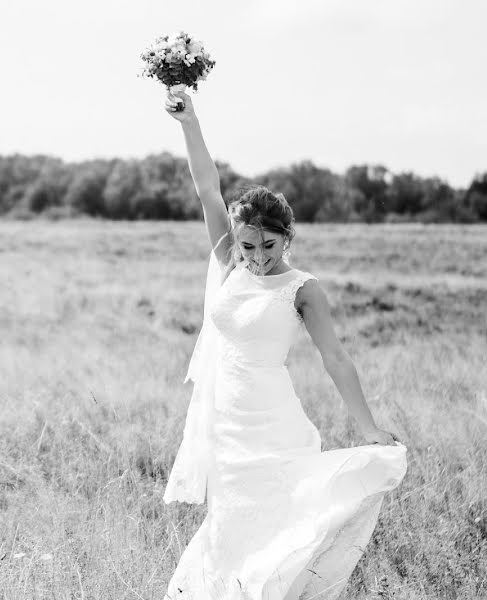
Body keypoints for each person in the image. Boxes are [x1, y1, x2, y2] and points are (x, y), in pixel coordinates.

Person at [161, 90, 408, 599]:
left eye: (268, 246)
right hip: (225, 419)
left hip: (272, 420)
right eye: (249, 245)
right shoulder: (230, 258)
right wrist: (190, 123)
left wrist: (368, 427)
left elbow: (335, 359)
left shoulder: (303, 289)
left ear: (287, 239)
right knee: (230, 523)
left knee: (280, 521)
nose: (256, 258)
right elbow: (209, 189)